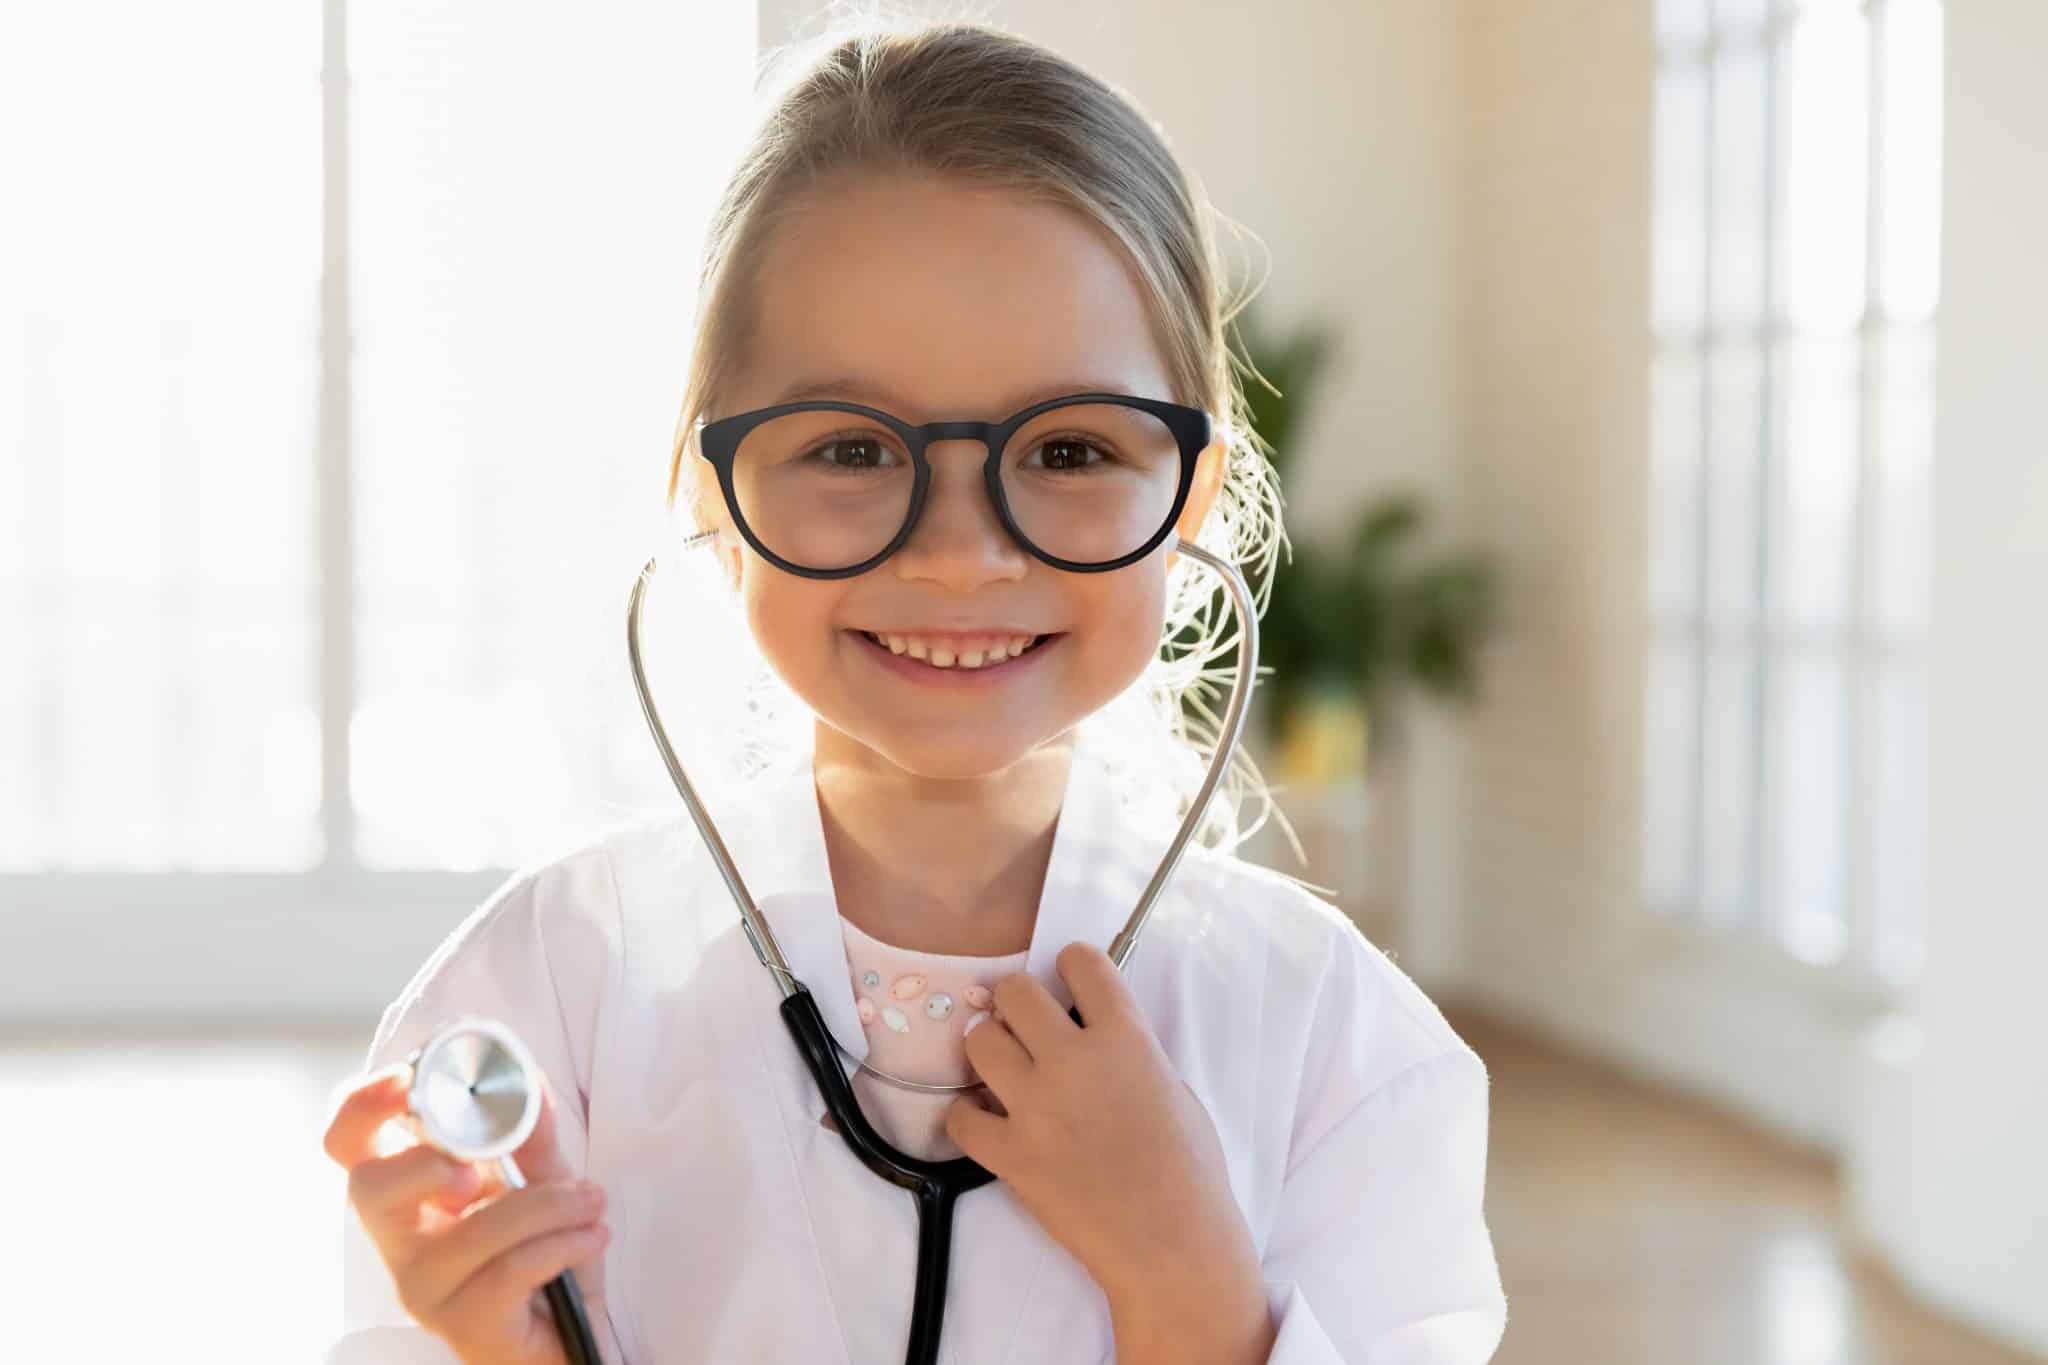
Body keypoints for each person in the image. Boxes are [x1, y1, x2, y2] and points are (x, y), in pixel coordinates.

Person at [320, 16, 1507, 1364]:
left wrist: (1187, 1276)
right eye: (850, 446)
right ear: (711, 483)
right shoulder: (542, 1001)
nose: (960, 552)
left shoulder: (1338, 1049)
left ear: (1196, 490)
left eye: (1067, 446)